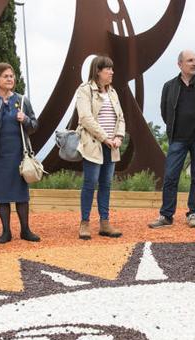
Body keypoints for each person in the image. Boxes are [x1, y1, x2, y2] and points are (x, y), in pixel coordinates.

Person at [148, 50, 195, 229]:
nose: (194, 63)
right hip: (177, 138)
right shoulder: (169, 86)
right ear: (180, 64)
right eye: (190, 61)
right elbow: (165, 112)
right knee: (170, 177)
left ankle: (193, 213)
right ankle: (166, 215)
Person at [0, 63, 40, 244]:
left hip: (18, 155)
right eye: (6, 76)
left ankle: (25, 230)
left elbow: (34, 126)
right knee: (1, 194)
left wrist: (25, 119)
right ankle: (6, 232)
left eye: (12, 76)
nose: (10, 79)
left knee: (21, 194)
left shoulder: (22, 100)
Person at [74, 55, 125, 240]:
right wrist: (105, 138)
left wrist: (118, 137)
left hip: (111, 145)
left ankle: (105, 223)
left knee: (106, 184)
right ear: (98, 71)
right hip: (94, 144)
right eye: (108, 69)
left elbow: (121, 117)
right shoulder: (84, 90)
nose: (112, 72)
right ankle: (85, 223)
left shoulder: (113, 92)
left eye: (112, 69)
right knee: (90, 183)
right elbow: (85, 118)